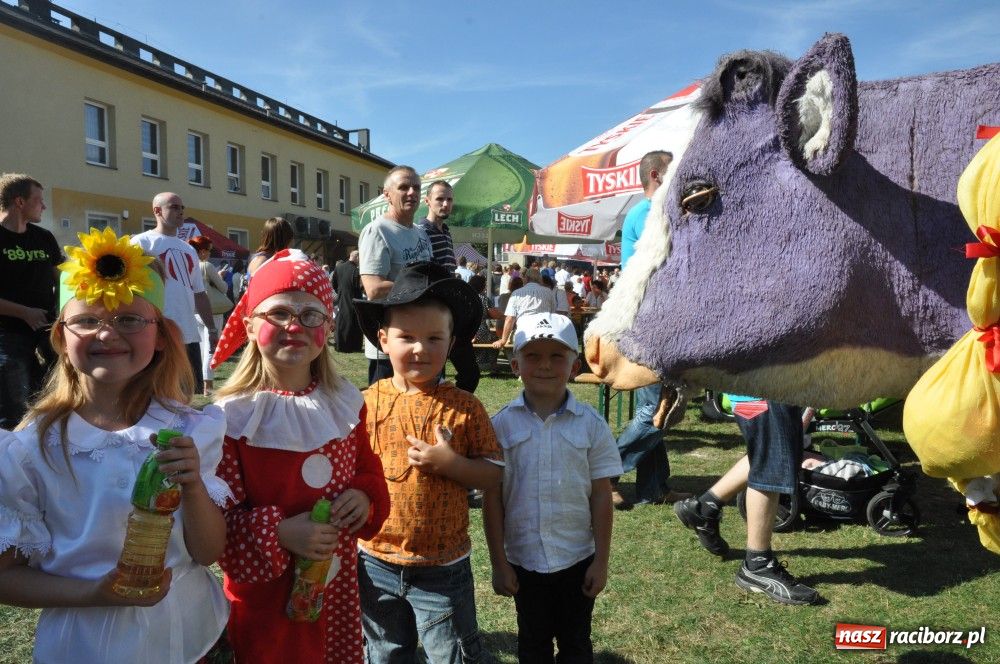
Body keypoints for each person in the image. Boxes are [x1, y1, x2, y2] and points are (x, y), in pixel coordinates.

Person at [0, 229, 230, 661]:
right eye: (87, 320)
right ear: (61, 340)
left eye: (129, 319)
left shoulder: (189, 428)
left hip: (195, 636)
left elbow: (207, 551)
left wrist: (195, 487)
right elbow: (5, 577)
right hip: (89, 646)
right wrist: (95, 592)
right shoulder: (30, 449)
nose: (107, 335)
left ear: (160, 337)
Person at [208, 249, 391, 662]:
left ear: (327, 327)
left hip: (335, 590)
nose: (295, 326)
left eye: (311, 315)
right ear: (251, 326)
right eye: (279, 314)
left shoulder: (343, 403)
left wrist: (364, 495)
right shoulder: (232, 418)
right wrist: (279, 533)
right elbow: (216, 524)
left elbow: (367, 467)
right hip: (264, 600)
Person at [353, 262, 503, 663]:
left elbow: (494, 475)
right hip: (375, 561)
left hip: (442, 567)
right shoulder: (366, 402)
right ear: (384, 340)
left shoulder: (465, 408)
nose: (420, 348)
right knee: (384, 651)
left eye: (434, 338)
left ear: (451, 344)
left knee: (451, 653)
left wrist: (451, 464)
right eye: (407, 337)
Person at [484, 313, 622, 662]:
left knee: (576, 643)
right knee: (533, 644)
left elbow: (602, 494)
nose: (545, 365)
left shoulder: (591, 425)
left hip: (576, 558)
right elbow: (493, 499)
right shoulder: (499, 426)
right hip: (524, 562)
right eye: (533, 356)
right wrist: (499, 563)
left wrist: (601, 562)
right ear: (515, 364)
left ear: (575, 366)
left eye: (557, 356)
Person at [674, 399, 821, 605]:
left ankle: (705, 507)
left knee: (774, 451)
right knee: (772, 459)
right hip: (764, 387)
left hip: (764, 387)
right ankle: (758, 565)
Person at [613, 151, 690, 509]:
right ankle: (600, 473)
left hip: (656, 317)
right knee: (655, 409)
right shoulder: (650, 214)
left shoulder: (650, 213)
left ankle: (653, 487)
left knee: (658, 403)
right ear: (657, 176)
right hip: (651, 319)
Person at [132, 192, 217, 395]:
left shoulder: (188, 250)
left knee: (186, 395)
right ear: (157, 211)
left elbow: (199, 293)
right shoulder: (141, 243)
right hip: (156, 332)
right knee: (154, 394)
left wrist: (212, 328)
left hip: (187, 334)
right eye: (174, 207)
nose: (180, 212)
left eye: (182, 208)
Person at [358, 165, 432, 385]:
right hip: (389, 341)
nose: (412, 193)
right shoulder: (377, 230)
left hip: (421, 335)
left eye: (416, 188)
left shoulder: (421, 233)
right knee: (387, 414)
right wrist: (423, 286)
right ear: (387, 194)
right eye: (403, 187)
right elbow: (373, 288)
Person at [0, 173, 62, 429]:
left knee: (53, 395)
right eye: (39, 200)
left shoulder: (44, 237)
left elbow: (61, 278)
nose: (44, 206)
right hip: (6, 333)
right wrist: (24, 312)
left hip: (47, 329)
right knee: (14, 406)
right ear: (20, 202)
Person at [188, 236, 230, 396]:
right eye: (209, 250)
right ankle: (208, 387)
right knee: (211, 348)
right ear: (203, 251)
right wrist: (220, 276)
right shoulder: (207, 266)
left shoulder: (188, 265)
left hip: (194, 311)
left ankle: (200, 383)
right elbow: (224, 288)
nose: (210, 253)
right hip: (212, 311)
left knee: (200, 348)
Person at [492, 268, 557, 350]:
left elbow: (510, 318)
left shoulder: (517, 293)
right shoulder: (549, 292)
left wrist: (503, 340)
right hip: (544, 334)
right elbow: (553, 314)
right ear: (540, 279)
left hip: (523, 334)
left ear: (526, 278)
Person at [418, 180, 457, 274]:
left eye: (449, 199)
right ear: (427, 201)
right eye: (440, 199)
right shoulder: (421, 232)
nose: (446, 204)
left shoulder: (446, 231)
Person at [333, 249, 364, 352]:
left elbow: (334, 283)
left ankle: (340, 344)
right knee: (353, 322)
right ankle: (353, 346)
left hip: (342, 297)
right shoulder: (357, 270)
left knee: (341, 320)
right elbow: (359, 286)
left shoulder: (339, 268)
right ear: (357, 257)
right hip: (354, 298)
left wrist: (340, 291)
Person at [469, 273, 502, 372]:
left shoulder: (466, 296)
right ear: (482, 286)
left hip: (466, 332)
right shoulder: (483, 298)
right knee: (496, 338)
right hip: (479, 330)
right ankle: (491, 365)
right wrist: (505, 315)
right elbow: (495, 314)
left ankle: (478, 362)